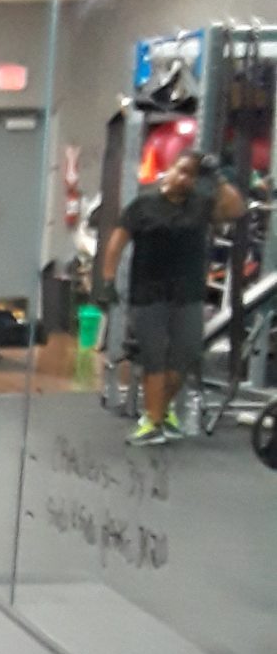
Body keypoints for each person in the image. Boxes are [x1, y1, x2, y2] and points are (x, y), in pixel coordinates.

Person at [100, 150, 244, 445]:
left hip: (187, 293)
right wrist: (108, 278)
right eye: (181, 170)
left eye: (192, 175)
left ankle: (158, 413)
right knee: (154, 358)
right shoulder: (143, 204)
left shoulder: (200, 206)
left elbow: (236, 209)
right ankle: (154, 423)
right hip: (148, 293)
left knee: (185, 356)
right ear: (171, 169)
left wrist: (216, 178)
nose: (184, 178)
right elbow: (117, 242)